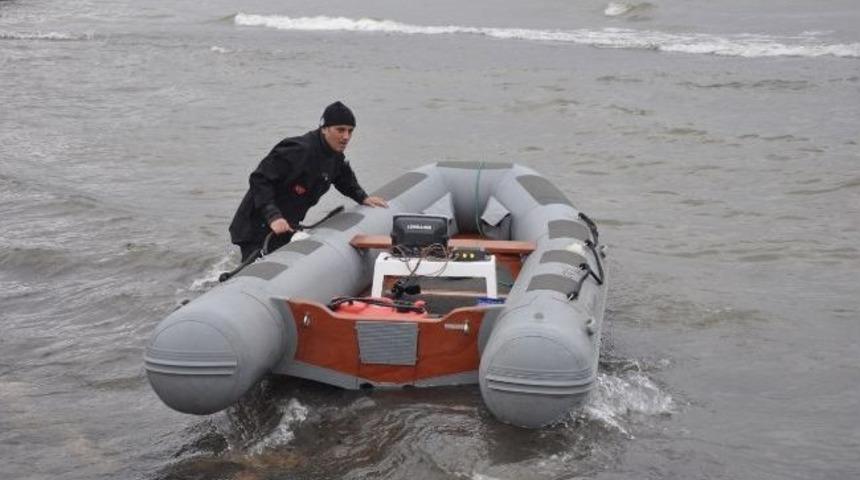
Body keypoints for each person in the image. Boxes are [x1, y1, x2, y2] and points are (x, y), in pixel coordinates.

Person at [229, 101, 388, 261]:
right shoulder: (297, 150)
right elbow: (259, 179)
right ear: (324, 128)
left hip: (287, 225)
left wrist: (363, 197)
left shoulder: (335, 156)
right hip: (257, 225)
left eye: (350, 131)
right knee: (260, 268)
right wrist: (274, 217)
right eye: (340, 130)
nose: (346, 137)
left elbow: (344, 179)